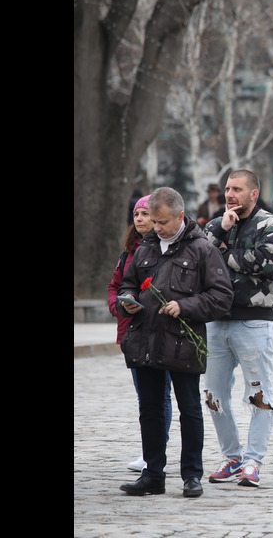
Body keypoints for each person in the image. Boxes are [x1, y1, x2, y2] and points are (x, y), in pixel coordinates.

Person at [117, 187, 233, 498]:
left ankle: (191, 475)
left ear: (181, 217)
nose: (156, 228)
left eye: (163, 222)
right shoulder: (145, 248)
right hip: (146, 341)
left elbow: (222, 296)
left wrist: (186, 306)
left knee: (190, 409)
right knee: (150, 410)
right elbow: (127, 284)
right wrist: (127, 300)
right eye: (153, 221)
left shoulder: (202, 249)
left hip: (183, 343)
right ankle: (153, 474)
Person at [202, 169, 273, 488]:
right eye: (227, 188)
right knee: (213, 396)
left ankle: (253, 461)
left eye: (237, 188)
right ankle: (232, 459)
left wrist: (223, 256)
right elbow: (199, 257)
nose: (229, 194)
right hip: (215, 321)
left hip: (253, 320)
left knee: (259, 395)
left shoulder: (270, 224)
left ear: (253, 193)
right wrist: (221, 231)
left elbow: (268, 262)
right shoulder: (216, 224)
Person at [107, 195, 173, 473]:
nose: (141, 219)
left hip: (162, 331)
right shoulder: (127, 254)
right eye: (137, 215)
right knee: (143, 395)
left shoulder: (166, 249)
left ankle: (156, 452)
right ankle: (151, 450)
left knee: (162, 395)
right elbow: (115, 287)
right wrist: (119, 306)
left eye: (146, 214)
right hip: (131, 332)